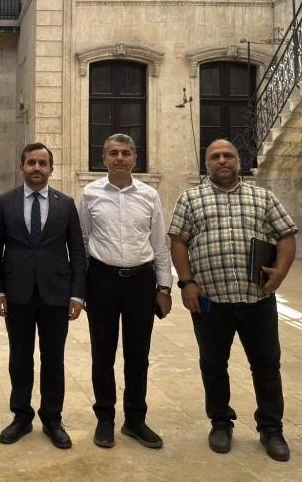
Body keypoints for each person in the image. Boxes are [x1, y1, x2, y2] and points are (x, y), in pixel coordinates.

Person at [167, 139, 298, 463]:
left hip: (257, 298)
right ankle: (220, 423)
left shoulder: (263, 197)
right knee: (213, 366)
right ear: (206, 164)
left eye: (228, 156)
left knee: (266, 366)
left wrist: (280, 273)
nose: (222, 161)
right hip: (211, 300)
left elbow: (286, 235)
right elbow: (178, 242)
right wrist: (186, 283)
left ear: (239, 161)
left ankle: (271, 428)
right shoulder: (190, 199)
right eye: (215, 156)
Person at [79, 133, 172, 450]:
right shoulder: (90, 194)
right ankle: (105, 418)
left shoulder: (149, 195)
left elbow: (159, 244)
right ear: (104, 159)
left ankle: (135, 420)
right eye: (113, 153)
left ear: (135, 158)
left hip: (140, 282)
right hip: (101, 281)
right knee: (102, 354)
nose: (119, 158)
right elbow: (82, 242)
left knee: (138, 354)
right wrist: (81, 288)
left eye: (126, 153)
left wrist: (164, 287)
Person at [0, 143, 86, 449]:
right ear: (21, 167)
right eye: (31, 162)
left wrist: (77, 294)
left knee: (53, 359)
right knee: (19, 358)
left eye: (42, 163)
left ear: (51, 169)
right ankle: (21, 416)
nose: (37, 168)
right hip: (17, 293)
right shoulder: (4, 202)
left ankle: (52, 418)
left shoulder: (66, 204)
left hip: (56, 294)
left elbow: (77, 251)